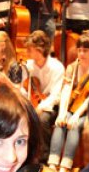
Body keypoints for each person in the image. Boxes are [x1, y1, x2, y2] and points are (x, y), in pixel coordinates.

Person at [48, 33, 89, 172]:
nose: (81, 53)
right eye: (79, 50)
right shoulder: (72, 67)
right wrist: (62, 113)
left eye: (85, 50)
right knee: (60, 124)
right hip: (71, 108)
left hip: (86, 112)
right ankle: (52, 164)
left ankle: (65, 167)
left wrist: (76, 115)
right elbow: (66, 90)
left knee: (74, 126)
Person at [23, 30, 65, 162]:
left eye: (29, 49)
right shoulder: (28, 65)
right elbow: (23, 89)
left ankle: (43, 158)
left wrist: (40, 107)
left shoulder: (56, 67)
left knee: (42, 119)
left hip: (50, 106)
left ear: (39, 50)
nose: (26, 52)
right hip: (33, 103)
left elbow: (56, 95)